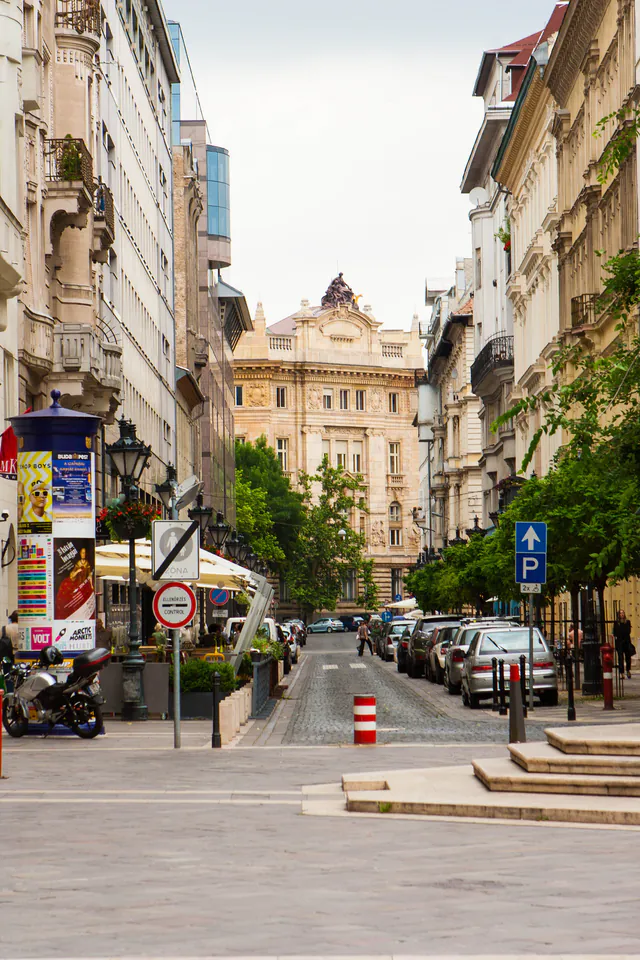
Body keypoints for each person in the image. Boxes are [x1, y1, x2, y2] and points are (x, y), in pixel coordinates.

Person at [613, 609, 633, 679]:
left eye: (623, 613)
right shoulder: (616, 623)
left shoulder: (627, 622)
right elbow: (615, 632)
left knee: (628, 657)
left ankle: (628, 670)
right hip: (619, 642)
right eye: (620, 613)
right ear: (618, 615)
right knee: (620, 658)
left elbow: (628, 631)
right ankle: (621, 672)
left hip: (626, 642)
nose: (622, 614)